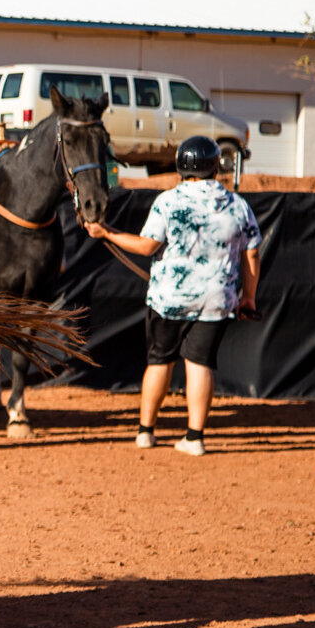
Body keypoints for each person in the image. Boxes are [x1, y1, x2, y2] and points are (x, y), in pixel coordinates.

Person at [82, 135, 261, 456]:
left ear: (181, 165)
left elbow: (147, 246)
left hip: (169, 299)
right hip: (216, 300)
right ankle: (194, 438)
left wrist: (106, 232)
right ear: (215, 165)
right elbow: (252, 254)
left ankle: (145, 432)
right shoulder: (238, 205)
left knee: (159, 362)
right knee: (201, 364)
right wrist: (248, 297)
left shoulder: (168, 201)